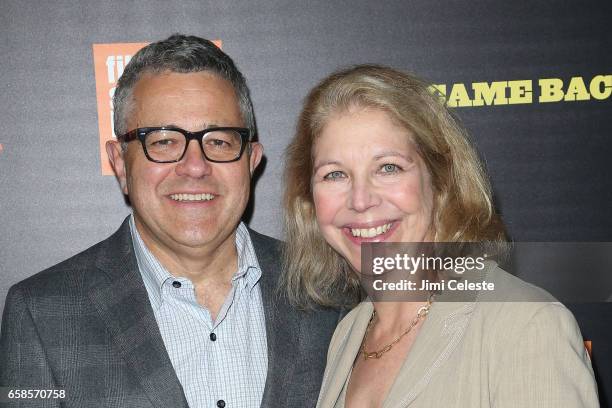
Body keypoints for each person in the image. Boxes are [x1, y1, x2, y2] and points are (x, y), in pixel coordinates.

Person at [0, 34, 341, 408]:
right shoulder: (42, 313)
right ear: (119, 163)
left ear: (251, 159)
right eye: (162, 141)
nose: (195, 166)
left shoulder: (328, 285)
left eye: (219, 141)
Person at [282, 65, 599, 407]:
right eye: (335, 174)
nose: (361, 200)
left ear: (440, 181)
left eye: (388, 167)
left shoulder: (527, 326)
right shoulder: (347, 335)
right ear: (309, 197)